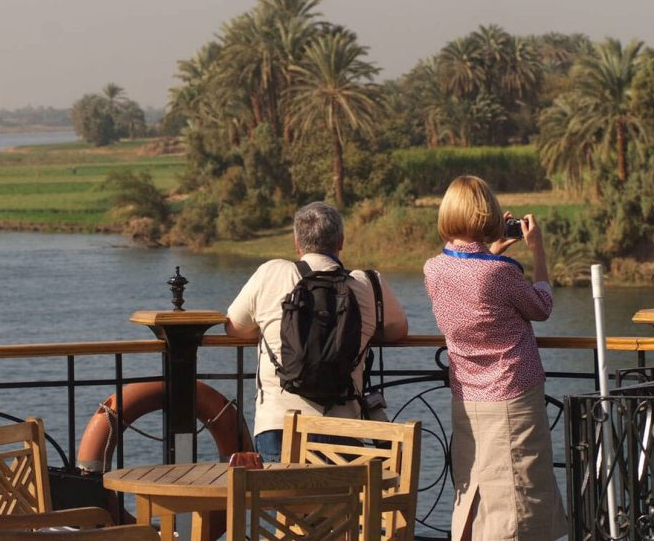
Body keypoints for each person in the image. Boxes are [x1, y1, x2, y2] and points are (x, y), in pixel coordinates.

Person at [423, 176, 568, 540]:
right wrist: (537, 252)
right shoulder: (500, 273)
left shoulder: (433, 269)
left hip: (467, 396)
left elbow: (472, 280)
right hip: (512, 395)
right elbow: (542, 307)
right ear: (486, 216)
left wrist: (492, 250)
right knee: (519, 494)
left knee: (477, 488)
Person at [225, 201, 408, 462]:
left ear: (297, 243)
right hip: (342, 427)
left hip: (279, 424)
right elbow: (398, 330)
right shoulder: (368, 284)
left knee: (281, 500)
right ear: (341, 242)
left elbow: (233, 327)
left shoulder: (271, 273)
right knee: (339, 500)